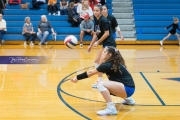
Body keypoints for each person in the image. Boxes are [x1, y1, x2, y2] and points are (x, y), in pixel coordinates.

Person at [71, 46, 135, 116]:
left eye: (104, 52)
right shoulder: (116, 62)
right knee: (105, 82)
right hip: (130, 88)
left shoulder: (107, 65)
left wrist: (77, 78)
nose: (102, 53)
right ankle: (128, 100)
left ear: (109, 55)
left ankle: (111, 109)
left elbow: (90, 73)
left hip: (127, 89)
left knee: (101, 85)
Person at [87, 5, 115, 88]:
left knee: (101, 64)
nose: (95, 12)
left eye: (97, 11)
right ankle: (100, 81)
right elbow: (96, 34)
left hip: (109, 44)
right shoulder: (97, 21)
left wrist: (98, 42)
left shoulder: (104, 20)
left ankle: (107, 81)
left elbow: (107, 33)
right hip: (105, 44)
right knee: (96, 61)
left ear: (101, 11)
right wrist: (90, 45)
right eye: (94, 10)